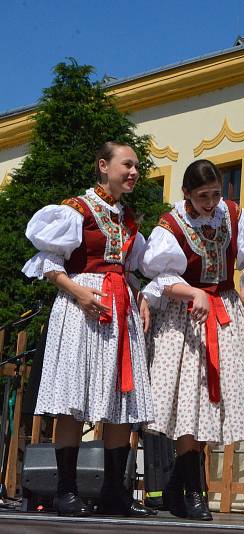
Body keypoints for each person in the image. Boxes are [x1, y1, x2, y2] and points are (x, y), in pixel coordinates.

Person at [22, 141, 154, 517]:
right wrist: (79, 292)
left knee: (120, 403)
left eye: (136, 167)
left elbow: (132, 267)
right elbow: (48, 263)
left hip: (120, 308)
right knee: (73, 401)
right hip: (84, 308)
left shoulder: (128, 219)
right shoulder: (76, 210)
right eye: (127, 165)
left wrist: (141, 295)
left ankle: (115, 491)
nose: (133, 172)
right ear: (103, 165)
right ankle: (66, 491)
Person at [140, 159, 244, 521]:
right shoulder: (171, 226)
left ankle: (176, 486)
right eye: (203, 196)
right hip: (185, 318)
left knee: (214, 405)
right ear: (186, 193)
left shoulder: (233, 215)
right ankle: (195, 491)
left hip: (225, 312)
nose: (211, 202)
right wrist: (192, 293)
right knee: (190, 404)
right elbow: (159, 278)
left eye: (216, 193)